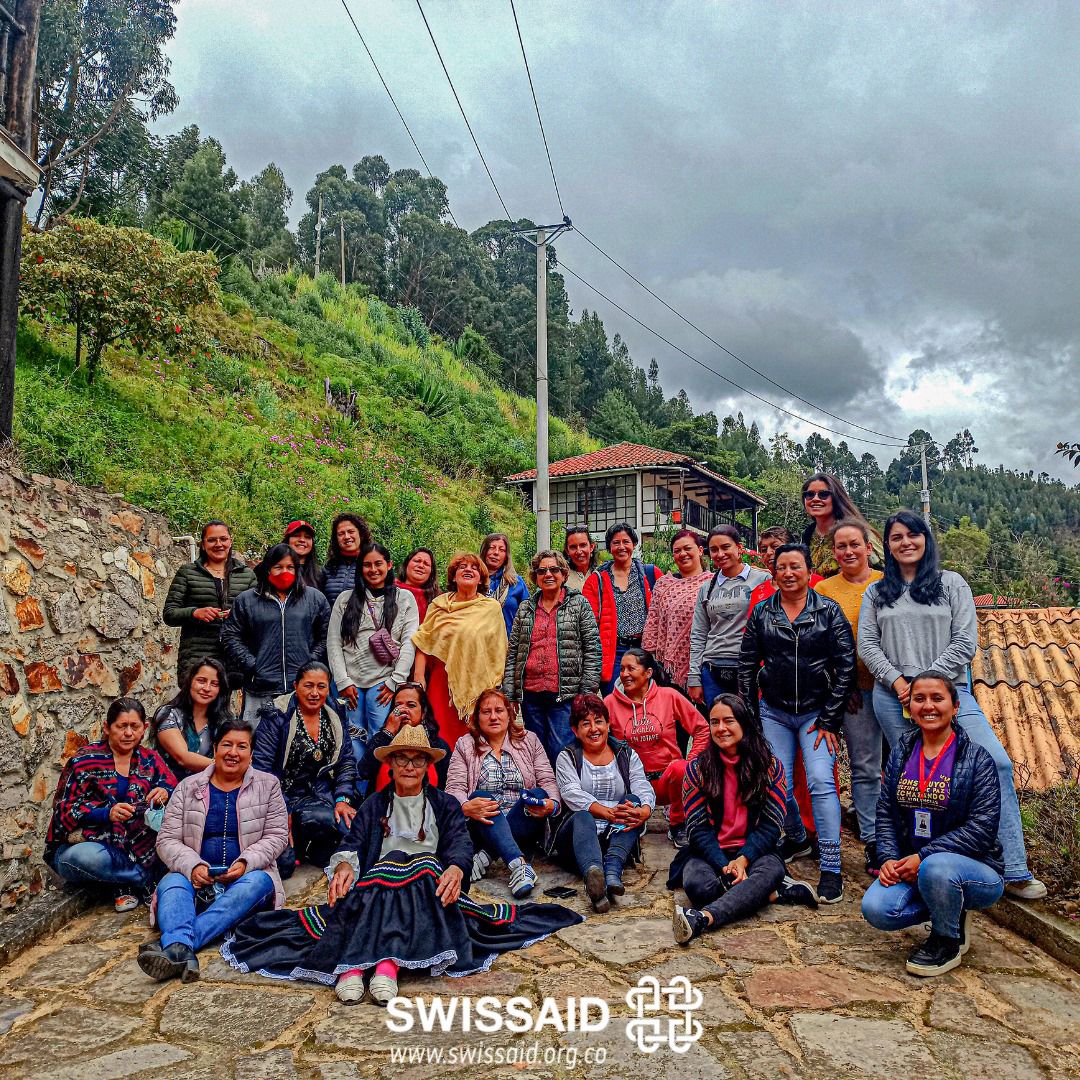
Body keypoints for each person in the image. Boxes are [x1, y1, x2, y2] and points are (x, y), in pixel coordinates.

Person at [220, 724, 582, 1005]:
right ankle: (367, 967)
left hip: (427, 888)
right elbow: (353, 844)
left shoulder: (444, 805)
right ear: (391, 764)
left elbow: (459, 843)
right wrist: (344, 866)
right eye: (402, 759)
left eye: (417, 760)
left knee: (420, 865)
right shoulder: (375, 805)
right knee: (384, 867)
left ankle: (376, 965)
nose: (410, 766)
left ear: (427, 765)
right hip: (375, 888)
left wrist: (456, 868)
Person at [858, 510, 1046, 899]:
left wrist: (927, 687)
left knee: (995, 762)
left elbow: (965, 641)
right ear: (887, 546)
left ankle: (1011, 867)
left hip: (951, 692)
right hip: (894, 698)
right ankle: (919, 867)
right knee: (913, 783)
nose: (906, 542)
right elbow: (868, 645)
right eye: (896, 537)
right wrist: (899, 682)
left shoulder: (951, 584)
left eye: (913, 535)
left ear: (926, 540)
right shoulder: (876, 592)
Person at [861, 672, 1006, 977]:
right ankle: (949, 908)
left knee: (936, 867)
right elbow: (886, 811)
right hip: (912, 864)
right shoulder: (901, 752)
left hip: (973, 869)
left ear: (955, 707)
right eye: (919, 699)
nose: (928, 706)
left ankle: (946, 941)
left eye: (937, 698)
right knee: (876, 908)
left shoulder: (978, 759)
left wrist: (924, 858)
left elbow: (982, 828)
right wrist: (888, 858)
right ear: (910, 707)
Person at [739, 543, 855, 903]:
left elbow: (846, 666)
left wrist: (830, 720)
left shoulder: (828, 611)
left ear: (808, 572)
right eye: (781, 567)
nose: (788, 573)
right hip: (773, 711)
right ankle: (796, 836)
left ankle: (832, 867)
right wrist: (752, 719)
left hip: (816, 714)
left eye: (796, 567)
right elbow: (747, 666)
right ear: (773, 573)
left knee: (821, 781)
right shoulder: (761, 613)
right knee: (778, 783)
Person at [137, 717, 289, 983]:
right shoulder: (188, 787)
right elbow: (167, 840)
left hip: (245, 878)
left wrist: (245, 863)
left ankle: (176, 945)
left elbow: (277, 836)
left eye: (242, 746)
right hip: (197, 881)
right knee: (171, 881)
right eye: (227, 745)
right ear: (215, 749)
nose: (233, 752)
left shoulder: (268, 785)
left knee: (259, 881)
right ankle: (182, 948)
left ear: (251, 754)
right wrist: (193, 867)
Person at [671, 694, 816, 943]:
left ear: (744, 723)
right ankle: (773, 894)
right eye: (714, 722)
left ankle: (702, 919)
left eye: (729, 720)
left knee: (768, 871)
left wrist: (743, 860)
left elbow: (771, 826)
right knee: (697, 885)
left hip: (756, 852)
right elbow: (697, 828)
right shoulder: (697, 770)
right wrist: (725, 865)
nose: (721, 728)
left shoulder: (771, 768)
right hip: (709, 852)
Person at [45, 698, 175, 912]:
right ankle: (145, 879)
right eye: (121, 726)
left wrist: (165, 792)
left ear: (144, 729)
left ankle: (123, 884)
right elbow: (63, 812)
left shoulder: (150, 759)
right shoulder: (83, 761)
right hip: (93, 846)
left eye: (134, 727)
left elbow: (173, 787)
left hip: (140, 847)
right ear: (107, 727)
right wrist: (107, 814)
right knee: (83, 858)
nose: (128, 733)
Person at [814, 518, 885, 875]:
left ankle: (903, 837)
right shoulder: (825, 589)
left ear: (868, 547)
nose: (848, 551)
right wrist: (840, 687)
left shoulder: (887, 584)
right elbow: (821, 644)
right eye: (840, 546)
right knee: (864, 766)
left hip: (892, 688)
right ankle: (873, 841)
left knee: (902, 766)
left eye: (854, 544)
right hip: (851, 692)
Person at [446, 689, 560, 898]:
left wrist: (552, 804)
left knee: (536, 792)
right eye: (486, 711)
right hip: (483, 824)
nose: (493, 716)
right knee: (482, 798)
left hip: (524, 820)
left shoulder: (529, 740)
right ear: (477, 717)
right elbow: (454, 788)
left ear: (510, 713)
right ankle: (519, 865)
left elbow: (547, 780)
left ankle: (486, 855)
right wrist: (465, 806)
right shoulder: (465, 745)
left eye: (499, 710)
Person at [551, 694, 656, 911]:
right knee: (582, 815)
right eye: (585, 724)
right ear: (575, 730)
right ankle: (594, 876)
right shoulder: (567, 757)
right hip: (577, 840)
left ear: (608, 724)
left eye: (599, 721)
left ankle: (612, 869)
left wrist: (644, 811)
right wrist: (607, 812)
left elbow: (641, 784)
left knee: (633, 802)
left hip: (614, 836)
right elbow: (571, 794)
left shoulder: (625, 754)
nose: (593, 729)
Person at [252, 662, 357, 876]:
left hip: (321, 794)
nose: (315, 693)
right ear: (295, 686)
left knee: (347, 830)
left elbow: (346, 759)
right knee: (284, 867)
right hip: (283, 795)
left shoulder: (335, 711)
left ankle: (309, 843)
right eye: (308, 685)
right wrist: (280, 812)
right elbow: (261, 769)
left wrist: (342, 799)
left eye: (321, 687)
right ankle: (297, 843)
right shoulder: (277, 715)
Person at [502, 550, 602, 763]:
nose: (548, 574)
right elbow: (514, 653)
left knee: (561, 751)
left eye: (554, 569)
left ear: (564, 574)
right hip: (531, 694)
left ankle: (564, 795)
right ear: (535, 577)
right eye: (542, 570)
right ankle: (545, 795)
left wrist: (586, 693)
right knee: (537, 752)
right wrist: (510, 694)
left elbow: (592, 649)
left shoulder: (579, 604)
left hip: (565, 694)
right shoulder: (525, 608)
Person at [605, 649, 709, 849]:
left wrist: (692, 761)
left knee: (681, 768)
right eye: (622, 669)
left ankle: (679, 823)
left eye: (631, 669)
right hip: (633, 783)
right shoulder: (609, 703)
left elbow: (702, 729)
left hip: (668, 781)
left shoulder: (669, 696)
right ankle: (635, 817)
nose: (624, 674)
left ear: (648, 673)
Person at [221, 544, 331, 727]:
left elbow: (326, 636)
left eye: (290, 567)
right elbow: (229, 635)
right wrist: (252, 664)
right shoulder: (247, 600)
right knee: (257, 744)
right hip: (260, 688)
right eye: (278, 567)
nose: (284, 572)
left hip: (302, 690)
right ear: (268, 569)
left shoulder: (315, 599)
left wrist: (311, 662)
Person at [326, 543, 419, 750]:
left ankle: (376, 782)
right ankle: (354, 782)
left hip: (384, 681)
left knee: (381, 736)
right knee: (351, 737)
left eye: (378, 564)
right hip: (349, 683)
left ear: (389, 565)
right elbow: (334, 642)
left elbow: (409, 641)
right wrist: (342, 681)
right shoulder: (345, 599)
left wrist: (395, 681)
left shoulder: (404, 598)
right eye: (367, 565)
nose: (373, 570)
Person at [412, 553, 508, 748]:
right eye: (462, 567)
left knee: (474, 741)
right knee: (440, 737)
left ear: (481, 578)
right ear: (453, 576)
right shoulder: (438, 605)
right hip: (442, 685)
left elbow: (498, 650)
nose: (468, 569)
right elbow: (423, 642)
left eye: (474, 568)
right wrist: (418, 676)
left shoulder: (491, 608)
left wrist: (495, 687)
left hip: (478, 687)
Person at [163, 521, 256, 685]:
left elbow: (259, 615)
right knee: (196, 708)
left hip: (233, 658)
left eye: (223, 539)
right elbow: (169, 614)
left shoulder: (247, 575)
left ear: (230, 541)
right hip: (196, 657)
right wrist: (194, 613)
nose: (218, 544)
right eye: (212, 540)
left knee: (223, 709)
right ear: (203, 545)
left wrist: (238, 615)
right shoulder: (188, 572)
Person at [687, 525, 770, 708]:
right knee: (720, 728)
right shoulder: (706, 588)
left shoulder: (762, 580)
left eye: (726, 547)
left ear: (739, 548)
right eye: (714, 549)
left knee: (752, 726)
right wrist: (694, 676)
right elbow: (699, 633)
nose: (720, 554)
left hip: (749, 666)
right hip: (712, 668)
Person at [583, 523, 663, 695]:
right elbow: (588, 625)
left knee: (646, 703)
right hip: (613, 652)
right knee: (615, 703)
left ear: (634, 544)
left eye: (626, 542)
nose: (621, 547)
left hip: (644, 650)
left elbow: (664, 612)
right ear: (609, 548)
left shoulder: (650, 574)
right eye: (615, 543)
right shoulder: (596, 580)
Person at [642, 530, 712, 690]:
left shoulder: (713, 583)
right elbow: (652, 624)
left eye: (688, 548)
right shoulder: (663, 584)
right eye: (677, 551)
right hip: (668, 670)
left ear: (700, 550)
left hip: (705, 664)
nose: (683, 554)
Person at [356, 682, 451, 796]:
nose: (404, 710)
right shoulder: (382, 739)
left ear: (423, 712)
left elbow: (448, 785)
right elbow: (364, 772)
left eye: (411, 705)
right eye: (398, 706)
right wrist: (388, 732)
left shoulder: (438, 746)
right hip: (383, 810)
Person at [151, 657, 232, 780]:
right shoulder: (169, 714)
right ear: (190, 682)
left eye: (214, 684)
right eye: (201, 681)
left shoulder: (223, 722)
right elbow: (182, 757)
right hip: (166, 789)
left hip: (205, 790)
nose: (207, 688)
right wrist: (226, 767)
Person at [800, 473, 881, 578]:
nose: (815, 499)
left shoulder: (857, 532)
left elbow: (883, 571)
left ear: (836, 498)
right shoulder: (806, 535)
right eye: (809, 494)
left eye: (823, 494)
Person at [749, 525, 824, 609]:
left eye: (775, 547)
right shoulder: (759, 592)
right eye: (763, 549)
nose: (769, 552)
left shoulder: (818, 584)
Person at [318, 513, 374, 610]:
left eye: (351, 531)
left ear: (360, 534)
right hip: (332, 623)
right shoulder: (329, 567)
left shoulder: (371, 564)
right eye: (341, 534)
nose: (347, 536)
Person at [480, 532, 529, 637]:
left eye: (501, 550)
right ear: (484, 551)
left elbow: (527, 617)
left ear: (506, 556)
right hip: (477, 644)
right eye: (492, 548)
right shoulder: (473, 581)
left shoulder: (516, 583)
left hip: (508, 645)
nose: (496, 553)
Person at [398, 548, 439, 622]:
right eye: (417, 561)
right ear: (407, 564)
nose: (421, 566)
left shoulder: (437, 601)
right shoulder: (387, 588)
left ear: (431, 572)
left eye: (426, 564)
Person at [284, 520, 322, 589]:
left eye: (307, 537)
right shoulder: (276, 570)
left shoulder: (320, 575)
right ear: (287, 540)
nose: (302, 540)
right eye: (296, 535)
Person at [563, 526, 599, 592]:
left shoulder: (601, 575)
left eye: (583, 545)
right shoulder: (562, 577)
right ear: (567, 551)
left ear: (591, 547)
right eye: (573, 547)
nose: (579, 551)